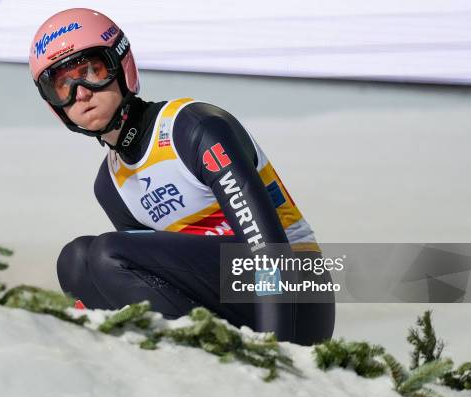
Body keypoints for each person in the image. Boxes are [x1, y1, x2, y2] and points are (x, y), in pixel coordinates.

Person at [29, 8, 335, 345]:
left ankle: (218, 356)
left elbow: (268, 249)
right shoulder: (110, 185)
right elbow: (150, 279)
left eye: (92, 70)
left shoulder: (193, 128)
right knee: (74, 262)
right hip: (225, 301)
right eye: (63, 86)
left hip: (296, 296)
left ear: (121, 65)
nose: (82, 92)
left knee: (108, 253)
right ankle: (186, 365)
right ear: (55, 105)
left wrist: (280, 353)